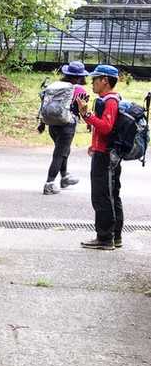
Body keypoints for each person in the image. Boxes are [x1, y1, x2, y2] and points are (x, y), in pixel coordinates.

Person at [80, 63, 123, 251]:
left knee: (102, 196)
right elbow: (103, 128)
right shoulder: (108, 99)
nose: (92, 83)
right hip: (105, 153)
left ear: (105, 80)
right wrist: (86, 114)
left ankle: (105, 238)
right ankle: (115, 236)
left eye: (95, 79)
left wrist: (87, 114)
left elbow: (106, 127)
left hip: (105, 156)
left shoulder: (110, 100)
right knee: (111, 195)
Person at [38, 62, 88, 195]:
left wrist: (42, 123)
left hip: (52, 125)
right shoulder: (79, 90)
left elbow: (44, 103)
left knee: (64, 150)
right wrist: (89, 121)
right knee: (60, 154)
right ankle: (49, 183)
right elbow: (83, 109)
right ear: (80, 77)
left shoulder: (55, 86)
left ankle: (65, 176)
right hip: (67, 126)